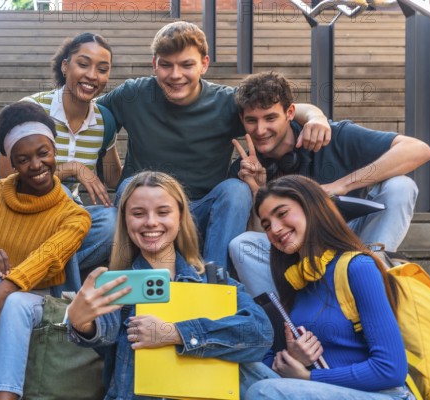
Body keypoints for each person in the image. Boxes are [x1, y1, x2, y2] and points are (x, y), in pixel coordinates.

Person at [96, 21, 332, 270]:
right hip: (147, 208)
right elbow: (85, 112)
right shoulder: (133, 95)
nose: (176, 75)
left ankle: (214, 278)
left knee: (236, 191)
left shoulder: (226, 102)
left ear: (204, 64)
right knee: (126, 188)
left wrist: (316, 117)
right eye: (166, 65)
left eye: (187, 65)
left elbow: (283, 108)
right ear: (155, 64)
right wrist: (94, 154)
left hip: (203, 209)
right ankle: (133, 275)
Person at [66, 170, 275, 399]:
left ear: (180, 216)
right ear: (125, 220)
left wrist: (175, 333)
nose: (151, 222)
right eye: (138, 213)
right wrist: (81, 322)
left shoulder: (214, 280)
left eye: (163, 211)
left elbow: (260, 334)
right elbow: (104, 330)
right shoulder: (119, 283)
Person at [229, 71, 430, 297]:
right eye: (251, 120)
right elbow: (261, 237)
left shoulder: (331, 135)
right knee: (241, 245)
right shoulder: (246, 167)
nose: (260, 130)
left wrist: (342, 185)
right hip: (296, 257)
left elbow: (418, 150)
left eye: (270, 118)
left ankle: (372, 277)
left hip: (353, 243)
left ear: (290, 113)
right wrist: (257, 191)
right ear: (242, 120)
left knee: (400, 186)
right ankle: (285, 322)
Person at [0, 101, 91, 400]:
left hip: (38, 298)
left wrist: (3, 289)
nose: (36, 165)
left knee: (13, 301)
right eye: (23, 158)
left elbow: (49, 258)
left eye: (43, 153)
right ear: (12, 163)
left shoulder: (74, 215)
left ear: (55, 152)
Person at [244, 175, 414, 399]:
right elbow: (274, 363)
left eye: (282, 213)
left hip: (381, 394)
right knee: (240, 368)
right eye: (266, 225)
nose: (274, 229)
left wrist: (308, 378)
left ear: (311, 207)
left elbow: (390, 370)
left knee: (264, 392)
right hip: (319, 389)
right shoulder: (295, 281)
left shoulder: (357, 267)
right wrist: (293, 359)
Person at [0, 32, 121, 276]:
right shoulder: (30, 109)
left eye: (102, 69)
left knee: (111, 222)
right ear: (65, 66)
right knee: (59, 192)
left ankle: (35, 269)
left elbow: (114, 178)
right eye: (83, 64)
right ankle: (60, 289)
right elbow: (6, 179)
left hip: (67, 219)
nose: (92, 76)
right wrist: (72, 168)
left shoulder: (105, 120)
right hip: (20, 213)